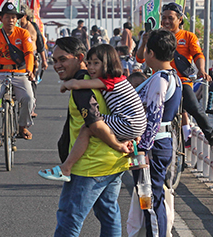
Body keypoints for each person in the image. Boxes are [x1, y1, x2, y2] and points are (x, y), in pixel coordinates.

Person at [29, 36, 130, 237]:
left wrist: (115, 143)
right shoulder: (98, 81)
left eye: (63, 59)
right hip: (113, 162)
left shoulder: (83, 87)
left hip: (92, 163)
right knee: (109, 213)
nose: (57, 65)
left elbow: (94, 124)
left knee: (70, 213)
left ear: (81, 58)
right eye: (54, 61)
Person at [39, 44, 143, 181]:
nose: (91, 68)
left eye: (96, 63)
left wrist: (65, 85)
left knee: (89, 126)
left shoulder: (109, 81)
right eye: (89, 63)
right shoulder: (121, 79)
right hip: (137, 124)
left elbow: (77, 85)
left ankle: (66, 168)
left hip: (128, 123)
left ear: (108, 64)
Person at [125, 29, 182, 237]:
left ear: (150, 52)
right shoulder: (172, 77)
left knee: (150, 198)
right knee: (149, 197)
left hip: (152, 146)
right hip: (160, 143)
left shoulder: (159, 80)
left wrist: (141, 151)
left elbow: (154, 117)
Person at [137, 2, 213, 146]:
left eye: (170, 18)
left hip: (180, 81)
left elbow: (198, 55)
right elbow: (140, 58)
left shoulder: (188, 37)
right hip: (160, 80)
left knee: (194, 108)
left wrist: (201, 70)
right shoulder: (156, 35)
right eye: (164, 18)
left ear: (180, 19)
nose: (166, 21)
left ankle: (211, 136)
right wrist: (144, 43)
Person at [0, 2, 36, 147]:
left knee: (28, 98)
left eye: (13, 17)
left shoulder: (23, 33)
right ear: (1, 19)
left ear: (17, 19)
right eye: (7, 17)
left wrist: (29, 70)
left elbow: (29, 53)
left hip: (19, 73)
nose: (11, 20)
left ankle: (22, 126)